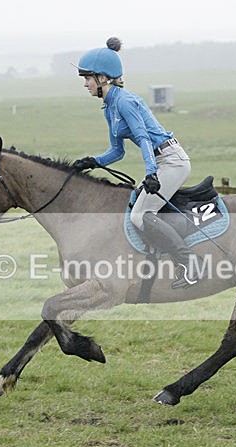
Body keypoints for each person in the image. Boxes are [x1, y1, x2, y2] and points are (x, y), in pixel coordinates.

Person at [72, 37, 204, 289]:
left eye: (87, 78)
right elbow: (117, 152)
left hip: (172, 162)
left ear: (103, 78)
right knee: (134, 206)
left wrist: (151, 173)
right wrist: (91, 162)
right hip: (161, 162)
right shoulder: (109, 106)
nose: (85, 84)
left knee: (140, 215)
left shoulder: (124, 101)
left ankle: (190, 265)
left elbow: (143, 138)